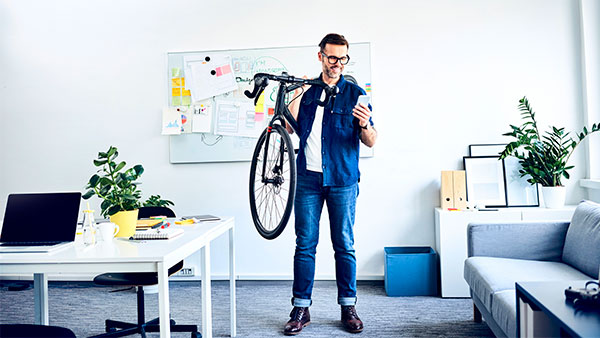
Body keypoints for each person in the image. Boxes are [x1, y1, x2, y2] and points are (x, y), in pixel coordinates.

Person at [283, 33, 377, 335]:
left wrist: (363, 124)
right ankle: (300, 308)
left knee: (344, 245)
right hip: (308, 179)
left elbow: (372, 140)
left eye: (343, 58)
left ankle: (348, 307)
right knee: (305, 245)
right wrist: (295, 94)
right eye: (332, 57)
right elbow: (289, 128)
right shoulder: (308, 92)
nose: (337, 64)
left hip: (343, 180)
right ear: (321, 56)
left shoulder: (356, 93)